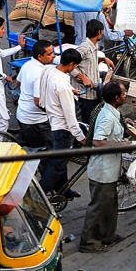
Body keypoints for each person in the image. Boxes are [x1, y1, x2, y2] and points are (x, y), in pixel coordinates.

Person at [79, 80, 128, 253]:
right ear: (116, 98)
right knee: (99, 207)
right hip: (103, 171)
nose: (125, 96)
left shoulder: (110, 110)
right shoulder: (106, 116)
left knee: (110, 205)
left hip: (110, 170)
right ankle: (89, 243)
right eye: (123, 94)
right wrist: (123, 145)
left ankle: (108, 236)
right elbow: (98, 141)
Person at [38, 48, 85, 197]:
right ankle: (39, 196)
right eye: (75, 66)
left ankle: (63, 190)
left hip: (52, 119)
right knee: (57, 165)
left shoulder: (49, 70)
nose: (74, 69)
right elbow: (70, 117)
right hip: (62, 128)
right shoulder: (62, 86)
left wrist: (72, 90)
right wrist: (81, 137)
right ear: (71, 64)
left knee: (61, 161)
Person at [71, 19, 115, 125]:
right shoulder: (84, 47)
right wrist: (82, 77)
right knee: (88, 123)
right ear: (99, 32)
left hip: (94, 91)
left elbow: (89, 62)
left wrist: (103, 59)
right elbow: (69, 66)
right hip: (84, 93)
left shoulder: (95, 45)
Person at [16, 40, 55, 149]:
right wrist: (52, 112)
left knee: (27, 148)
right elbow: (38, 102)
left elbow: (18, 83)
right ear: (40, 57)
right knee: (47, 150)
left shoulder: (27, 65)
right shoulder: (40, 74)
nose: (53, 56)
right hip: (36, 121)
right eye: (49, 54)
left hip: (22, 115)